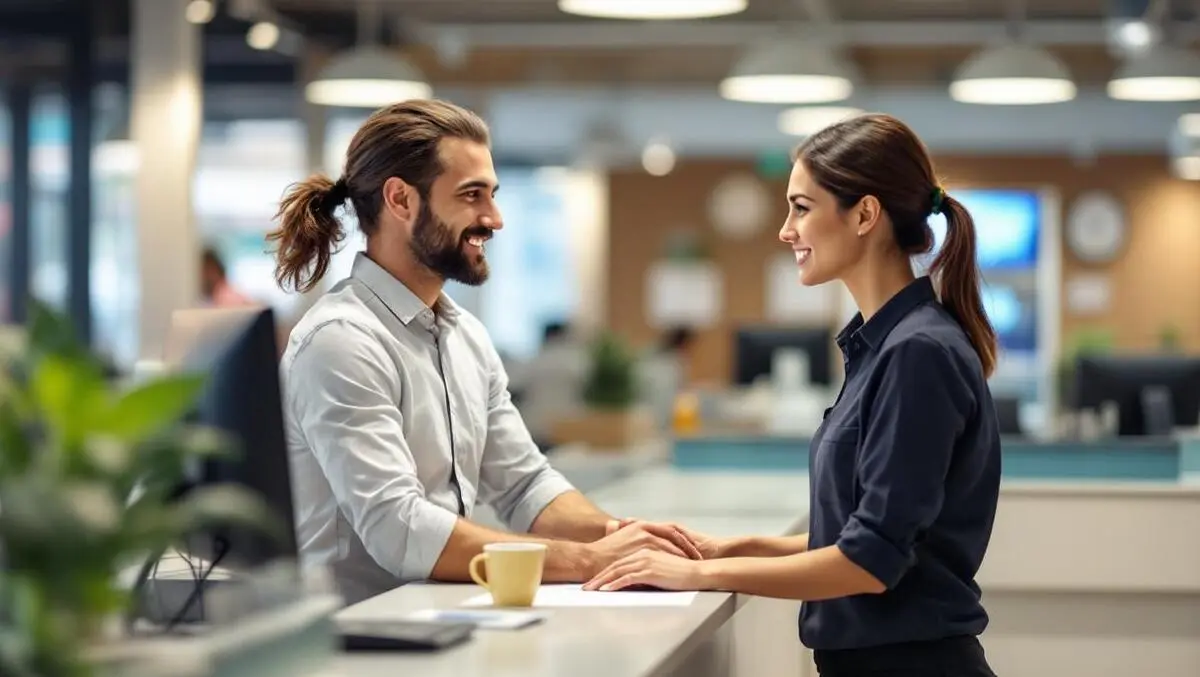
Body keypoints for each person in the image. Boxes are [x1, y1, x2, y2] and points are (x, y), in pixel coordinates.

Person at [584, 114, 1002, 677]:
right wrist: (725, 549)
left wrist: (700, 576)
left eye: (801, 208)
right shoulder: (881, 347)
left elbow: (871, 561)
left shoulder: (917, 353)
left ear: (864, 215)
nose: (786, 230)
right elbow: (856, 536)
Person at [266, 99, 699, 605]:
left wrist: (624, 538)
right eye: (471, 196)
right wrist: (589, 561)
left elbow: (524, 486)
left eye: (491, 194)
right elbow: (400, 528)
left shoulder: (463, 335)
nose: (493, 218)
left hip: (440, 620)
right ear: (401, 200)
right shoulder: (341, 341)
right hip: (355, 640)